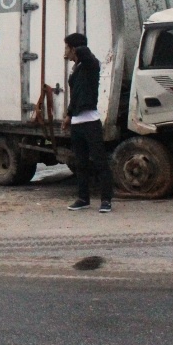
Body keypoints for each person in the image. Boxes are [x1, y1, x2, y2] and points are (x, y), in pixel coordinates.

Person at [62, 33, 113, 213]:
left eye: (67, 48)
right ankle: (83, 198)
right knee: (80, 163)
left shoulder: (91, 65)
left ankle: (106, 200)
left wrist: (77, 47)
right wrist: (68, 115)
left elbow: (84, 52)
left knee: (100, 162)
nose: (65, 52)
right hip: (77, 122)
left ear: (74, 49)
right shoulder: (76, 69)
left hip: (91, 121)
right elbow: (75, 95)